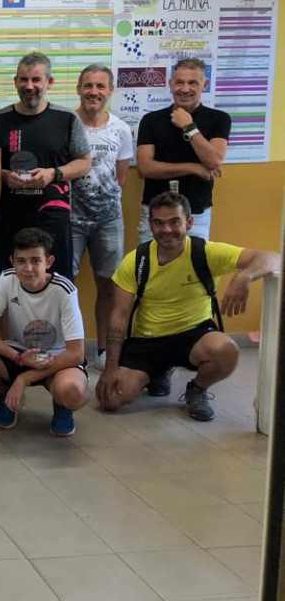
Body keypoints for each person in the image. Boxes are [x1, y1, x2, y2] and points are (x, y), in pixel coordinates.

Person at [97, 192, 279, 420]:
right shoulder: (136, 260)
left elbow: (272, 257)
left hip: (194, 335)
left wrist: (243, 277)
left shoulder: (206, 252)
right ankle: (158, 372)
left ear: (189, 223)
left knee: (227, 351)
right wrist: (110, 368)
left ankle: (197, 389)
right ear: (150, 225)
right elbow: (119, 316)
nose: (167, 230)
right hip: (147, 339)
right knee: (110, 400)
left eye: (175, 222)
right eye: (159, 223)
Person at [0, 227, 88, 437]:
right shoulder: (7, 280)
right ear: (12, 261)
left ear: (49, 261)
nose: (28, 268)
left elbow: (76, 353)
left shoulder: (65, 290)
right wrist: (18, 357)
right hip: (19, 354)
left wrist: (24, 378)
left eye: (36, 260)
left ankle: (61, 406)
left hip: (56, 358)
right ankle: (6, 396)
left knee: (72, 391)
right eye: (21, 261)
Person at [0, 52, 91, 283]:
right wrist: (4, 176)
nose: (29, 86)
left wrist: (53, 174)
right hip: (9, 219)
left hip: (52, 219)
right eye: (23, 80)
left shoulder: (66, 118)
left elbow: (85, 162)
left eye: (36, 80)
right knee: (6, 289)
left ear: (49, 82)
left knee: (56, 286)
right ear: (15, 81)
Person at [71, 65, 133, 369]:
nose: (93, 92)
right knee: (64, 286)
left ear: (110, 91)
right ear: (78, 88)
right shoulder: (66, 123)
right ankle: (71, 351)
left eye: (100, 86)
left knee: (108, 286)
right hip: (69, 220)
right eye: (88, 86)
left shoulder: (121, 129)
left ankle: (104, 351)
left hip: (108, 220)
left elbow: (122, 177)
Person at [136, 58, 230, 242]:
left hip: (196, 214)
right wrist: (193, 168)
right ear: (171, 84)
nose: (185, 89)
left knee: (195, 268)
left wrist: (189, 126)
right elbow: (145, 168)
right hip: (155, 213)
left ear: (205, 85)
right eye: (179, 82)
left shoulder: (219, 119)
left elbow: (214, 161)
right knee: (150, 268)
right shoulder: (150, 120)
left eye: (193, 83)